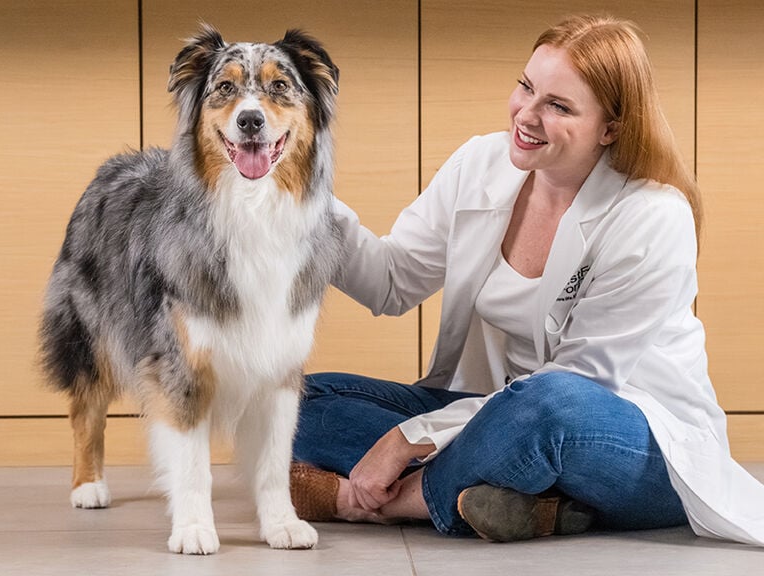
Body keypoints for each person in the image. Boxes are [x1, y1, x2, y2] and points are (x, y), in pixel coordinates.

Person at [290, 14, 764, 545]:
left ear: (611, 128)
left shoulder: (653, 216)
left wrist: (409, 439)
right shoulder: (480, 163)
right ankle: (531, 504)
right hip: (494, 417)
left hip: (631, 443)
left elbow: (579, 384)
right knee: (299, 401)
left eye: (558, 106)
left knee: (548, 405)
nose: (526, 115)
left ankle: (386, 502)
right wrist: (302, 198)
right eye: (526, 87)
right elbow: (392, 281)